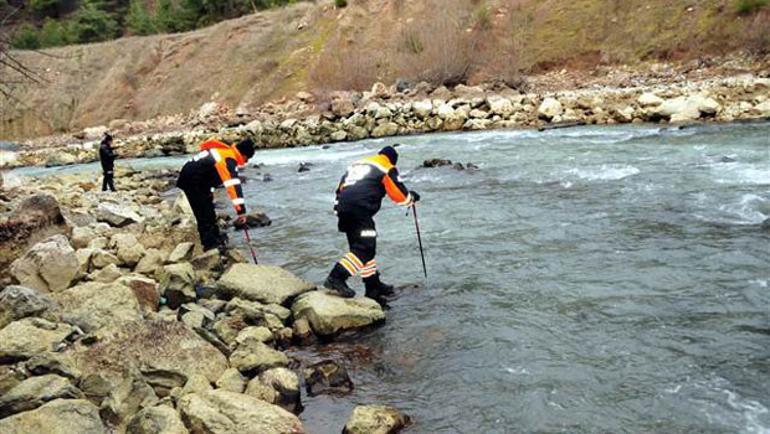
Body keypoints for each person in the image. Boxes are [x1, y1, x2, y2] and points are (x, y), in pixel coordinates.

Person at [324, 145, 420, 304]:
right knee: (365, 249)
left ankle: (372, 286)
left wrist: (338, 210)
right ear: (393, 160)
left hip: (343, 208)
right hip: (360, 210)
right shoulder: (386, 167)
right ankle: (336, 277)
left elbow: (340, 189)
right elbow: (399, 195)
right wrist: (411, 198)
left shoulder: (357, 165)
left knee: (360, 248)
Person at [176, 137, 255, 252]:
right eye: (247, 159)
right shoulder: (229, 159)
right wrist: (241, 211)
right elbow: (233, 186)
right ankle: (210, 246)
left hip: (196, 179)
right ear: (243, 155)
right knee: (204, 213)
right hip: (192, 180)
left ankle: (216, 240)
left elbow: (210, 174)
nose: (246, 162)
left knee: (208, 210)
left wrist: (210, 192)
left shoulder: (225, 152)